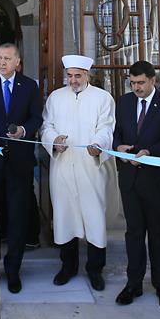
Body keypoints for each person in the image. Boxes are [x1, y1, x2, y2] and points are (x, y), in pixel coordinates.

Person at [40, 54, 115, 292]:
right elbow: (46, 126)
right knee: (64, 218)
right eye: (69, 75)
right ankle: (68, 267)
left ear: (88, 76)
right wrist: (54, 141)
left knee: (94, 219)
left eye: (77, 76)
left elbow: (106, 128)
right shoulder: (55, 97)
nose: (72, 80)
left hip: (90, 168)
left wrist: (98, 145)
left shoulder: (103, 98)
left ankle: (95, 270)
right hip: (63, 166)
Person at [111, 60, 160, 312]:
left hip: (158, 181)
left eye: (141, 82)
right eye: (133, 83)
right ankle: (134, 283)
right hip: (130, 179)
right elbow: (117, 133)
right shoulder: (124, 102)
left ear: (153, 81)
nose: (137, 87)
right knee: (134, 233)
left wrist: (148, 152)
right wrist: (119, 147)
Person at [0, 43, 43, 294]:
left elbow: (37, 118)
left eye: (7, 58)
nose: (1, 62)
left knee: (17, 218)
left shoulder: (30, 86)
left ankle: (13, 270)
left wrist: (23, 131)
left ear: (17, 62)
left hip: (20, 163)